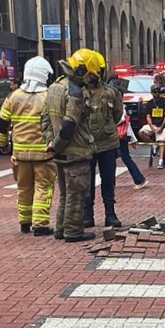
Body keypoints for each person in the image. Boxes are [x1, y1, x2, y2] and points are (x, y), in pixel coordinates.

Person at [43, 48, 104, 243]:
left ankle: (61, 229)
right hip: (75, 153)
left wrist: (51, 143)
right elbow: (69, 125)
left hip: (60, 152)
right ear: (82, 70)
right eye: (91, 75)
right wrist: (58, 145)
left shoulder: (55, 86)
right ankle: (73, 231)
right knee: (76, 195)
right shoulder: (75, 92)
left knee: (64, 195)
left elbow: (44, 118)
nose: (91, 80)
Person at [0, 56, 57, 235]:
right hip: (43, 155)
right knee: (43, 188)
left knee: (23, 188)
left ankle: (24, 222)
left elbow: (2, 122)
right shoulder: (47, 97)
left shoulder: (13, 97)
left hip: (20, 154)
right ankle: (40, 225)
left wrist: (3, 144)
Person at [84, 69, 124, 228]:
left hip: (107, 143)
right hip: (86, 143)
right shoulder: (79, 92)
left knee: (108, 180)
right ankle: (87, 215)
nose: (90, 77)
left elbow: (117, 114)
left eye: (93, 73)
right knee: (87, 182)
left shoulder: (111, 92)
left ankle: (110, 213)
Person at [143, 86, 165, 169]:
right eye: (154, 92)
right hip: (153, 125)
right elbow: (148, 116)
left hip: (163, 126)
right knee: (141, 132)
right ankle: (153, 145)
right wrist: (151, 126)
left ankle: (160, 161)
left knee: (161, 141)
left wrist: (161, 127)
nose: (156, 94)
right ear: (151, 92)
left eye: (157, 92)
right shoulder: (150, 103)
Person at [115, 108, 147, 189]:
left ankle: (139, 179)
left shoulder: (118, 108)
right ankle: (138, 179)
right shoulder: (120, 107)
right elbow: (127, 124)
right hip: (120, 136)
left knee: (123, 158)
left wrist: (133, 139)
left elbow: (124, 122)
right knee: (124, 158)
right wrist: (133, 139)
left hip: (117, 136)